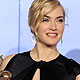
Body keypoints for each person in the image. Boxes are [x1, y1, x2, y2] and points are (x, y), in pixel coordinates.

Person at [0, 0, 80, 80]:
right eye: (45, 20)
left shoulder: (74, 73)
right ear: (33, 25)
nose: (53, 27)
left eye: (59, 20)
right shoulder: (10, 63)